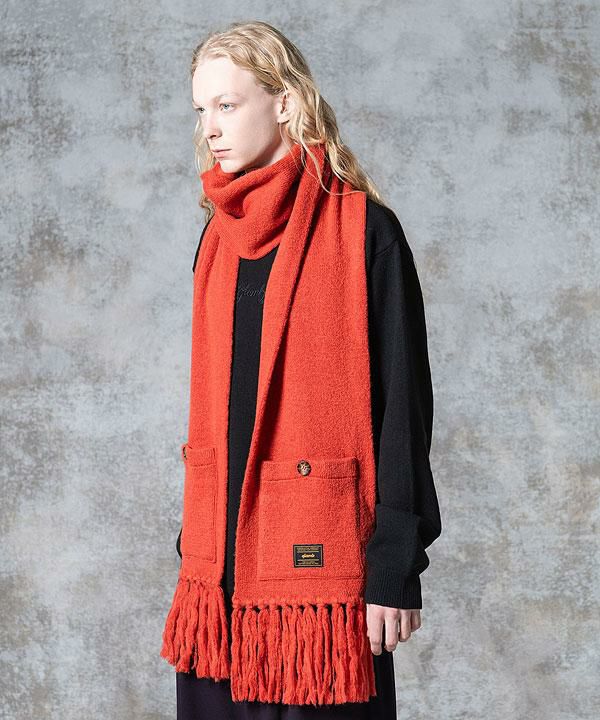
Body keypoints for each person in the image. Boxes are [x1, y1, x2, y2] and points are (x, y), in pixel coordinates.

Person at [161, 20, 442, 720]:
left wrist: (395, 566)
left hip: (324, 588)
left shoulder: (367, 231)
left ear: (284, 102)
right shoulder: (217, 238)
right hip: (217, 583)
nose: (209, 128)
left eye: (228, 104)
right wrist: (196, 547)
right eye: (201, 109)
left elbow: (404, 411)